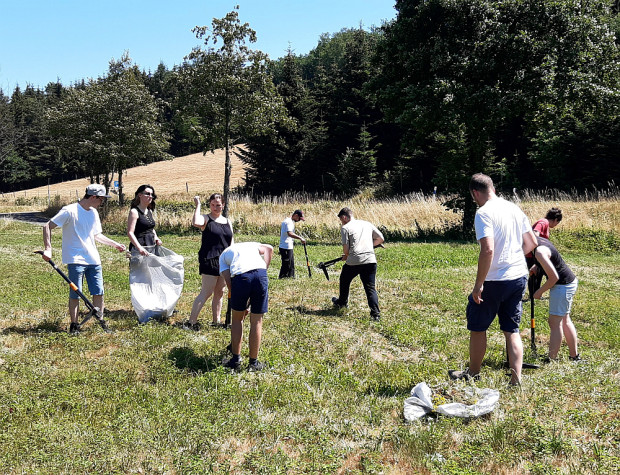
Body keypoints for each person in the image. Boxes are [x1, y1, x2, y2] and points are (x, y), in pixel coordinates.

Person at [449, 174, 537, 386]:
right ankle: (516, 381)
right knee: (512, 330)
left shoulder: (483, 213)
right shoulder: (513, 208)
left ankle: (473, 373)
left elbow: (488, 250)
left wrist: (479, 284)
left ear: (475, 193)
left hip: (495, 280)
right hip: (518, 277)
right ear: (493, 189)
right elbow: (532, 242)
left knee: (478, 327)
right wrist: (514, 257)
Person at [41, 184, 127, 334]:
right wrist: (48, 248)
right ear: (93, 197)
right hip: (75, 259)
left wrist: (114, 244)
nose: (102, 203)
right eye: (102, 200)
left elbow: (96, 235)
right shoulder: (69, 211)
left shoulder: (93, 212)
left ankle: (101, 322)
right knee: (76, 293)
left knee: (98, 292)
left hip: (93, 259)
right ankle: (74, 326)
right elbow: (47, 226)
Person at [219, 242, 274, 372]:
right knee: (257, 321)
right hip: (261, 275)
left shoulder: (223, 257)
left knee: (237, 320)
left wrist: (242, 306)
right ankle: (253, 363)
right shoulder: (253, 244)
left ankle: (235, 360)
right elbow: (269, 249)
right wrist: (265, 268)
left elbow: (230, 285)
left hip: (241, 278)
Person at [183, 193, 233, 331]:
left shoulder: (228, 221)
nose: (216, 208)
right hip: (209, 259)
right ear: (209, 205)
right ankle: (191, 323)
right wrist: (198, 205)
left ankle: (216, 321)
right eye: (212, 205)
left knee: (220, 292)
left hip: (225, 261)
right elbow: (195, 222)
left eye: (218, 205)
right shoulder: (206, 219)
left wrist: (232, 259)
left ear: (223, 205)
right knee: (207, 292)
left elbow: (231, 242)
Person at [531, 237, 582, 362]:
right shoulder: (539, 241)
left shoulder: (539, 251)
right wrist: (537, 266)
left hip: (562, 286)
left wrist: (539, 292)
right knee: (564, 320)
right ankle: (574, 356)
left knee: (554, 323)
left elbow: (554, 277)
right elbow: (551, 261)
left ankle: (551, 359)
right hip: (567, 283)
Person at [331, 207, 384, 321]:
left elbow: (346, 250)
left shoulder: (345, 228)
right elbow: (380, 238)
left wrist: (346, 255)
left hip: (354, 261)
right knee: (370, 288)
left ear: (345, 217)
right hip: (370, 260)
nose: (341, 222)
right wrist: (371, 246)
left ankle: (342, 302)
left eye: (341, 219)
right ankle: (375, 314)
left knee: (344, 280)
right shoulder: (367, 224)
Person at [127, 184, 162, 256]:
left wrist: (156, 238)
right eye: (147, 194)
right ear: (140, 195)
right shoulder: (134, 212)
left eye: (152, 194)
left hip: (151, 245)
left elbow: (150, 228)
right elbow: (130, 233)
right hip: (139, 247)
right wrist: (139, 248)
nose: (150, 196)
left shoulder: (149, 211)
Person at [278, 210, 306, 278]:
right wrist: (300, 238)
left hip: (288, 246)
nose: (299, 220)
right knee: (286, 264)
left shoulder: (289, 221)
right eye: (299, 218)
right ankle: (283, 277)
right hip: (285, 246)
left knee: (291, 264)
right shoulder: (288, 222)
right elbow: (290, 233)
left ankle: (291, 277)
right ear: (296, 215)